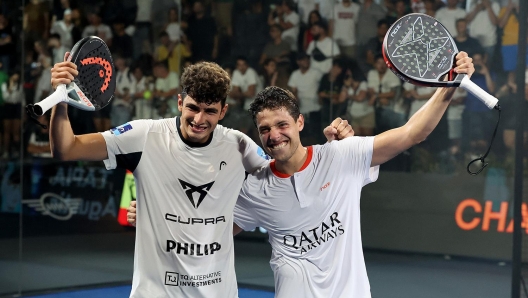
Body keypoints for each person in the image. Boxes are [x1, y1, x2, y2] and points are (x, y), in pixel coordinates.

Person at [129, 54, 475, 297]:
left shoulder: (342, 155)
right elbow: (208, 228)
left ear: (299, 123)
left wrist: (448, 88)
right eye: (264, 129)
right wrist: (150, 215)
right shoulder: (255, 190)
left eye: (281, 124)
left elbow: (412, 133)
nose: (274, 135)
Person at [49, 55, 348, 298]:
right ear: (180, 102)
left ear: (223, 111)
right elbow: (66, 148)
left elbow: (287, 172)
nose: (199, 119)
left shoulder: (239, 146)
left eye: (210, 111)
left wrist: (331, 152)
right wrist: (61, 99)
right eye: (192, 107)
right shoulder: (143, 136)